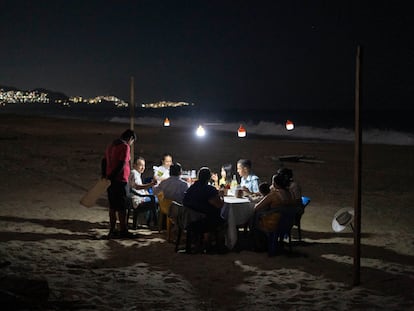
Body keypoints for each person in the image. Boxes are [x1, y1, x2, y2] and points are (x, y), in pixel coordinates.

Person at [183, 167, 226, 253]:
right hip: (204, 221)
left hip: (189, 220)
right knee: (224, 219)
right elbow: (219, 205)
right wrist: (221, 197)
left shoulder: (191, 188)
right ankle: (217, 245)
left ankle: (202, 241)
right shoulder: (209, 190)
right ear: (209, 178)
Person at [102, 129, 136, 238]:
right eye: (132, 141)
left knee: (112, 206)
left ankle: (112, 229)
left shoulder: (111, 145)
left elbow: (104, 161)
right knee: (122, 207)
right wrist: (113, 176)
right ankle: (123, 230)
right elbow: (122, 164)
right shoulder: (125, 146)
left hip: (110, 179)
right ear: (130, 138)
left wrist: (105, 175)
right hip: (120, 180)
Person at [129, 157, 158, 227]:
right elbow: (137, 187)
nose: (143, 168)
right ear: (134, 165)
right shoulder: (134, 173)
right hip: (138, 200)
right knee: (156, 200)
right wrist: (151, 184)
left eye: (144, 165)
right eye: (141, 165)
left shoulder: (136, 173)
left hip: (139, 197)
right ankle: (155, 223)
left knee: (154, 198)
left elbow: (137, 187)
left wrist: (145, 191)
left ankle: (149, 222)